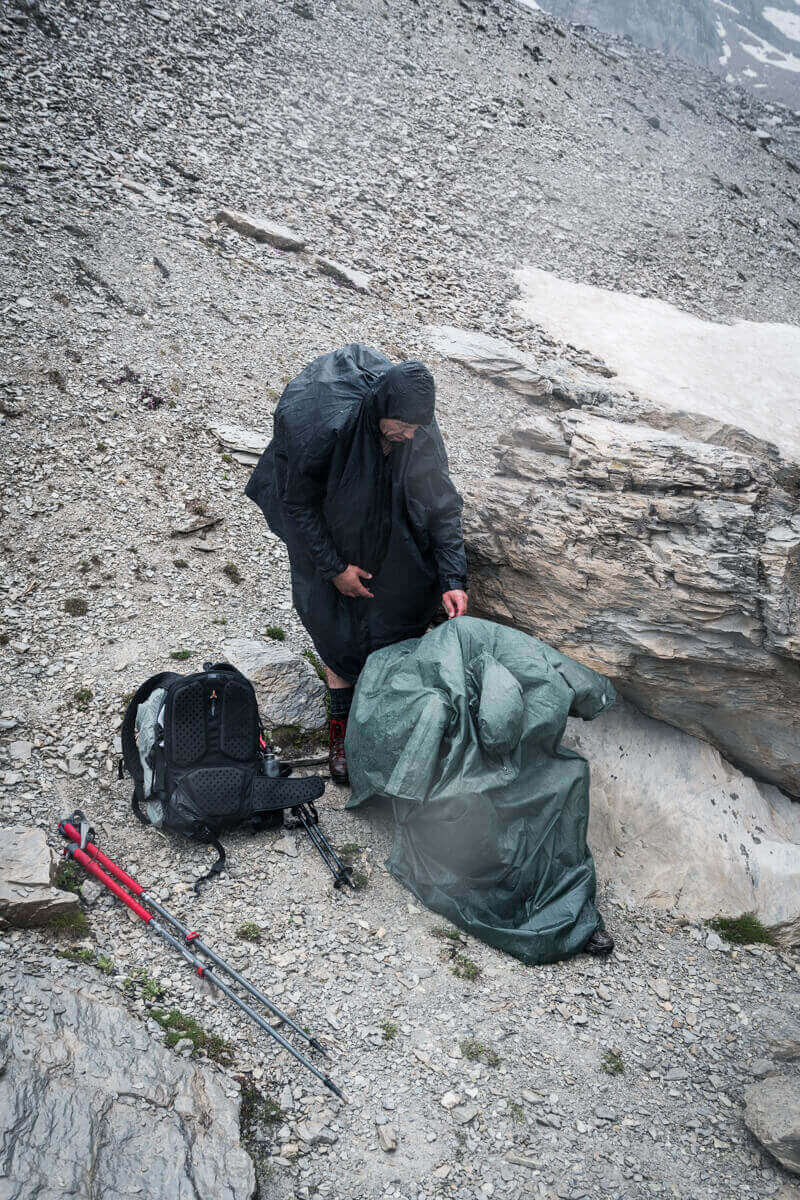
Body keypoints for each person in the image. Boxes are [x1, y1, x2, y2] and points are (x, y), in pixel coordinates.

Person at [245, 345, 468, 785]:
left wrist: (452, 578)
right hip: (324, 525)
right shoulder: (326, 425)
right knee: (336, 632)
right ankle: (340, 740)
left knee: (399, 614)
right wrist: (333, 568)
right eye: (400, 427)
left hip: (386, 519)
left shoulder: (415, 429)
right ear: (382, 408)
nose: (407, 435)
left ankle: (384, 733)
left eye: (415, 428)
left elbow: (442, 505)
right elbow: (297, 504)